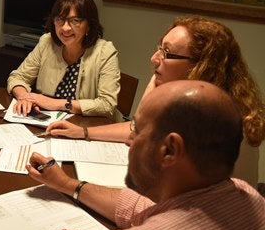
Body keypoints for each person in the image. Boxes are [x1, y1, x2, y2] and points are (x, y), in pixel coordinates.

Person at [28, 80, 265, 230]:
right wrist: (66, 184)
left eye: (138, 130)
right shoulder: (251, 199)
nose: (129, 141)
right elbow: (141, 208)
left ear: (169, 149)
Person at [45, 16, 265, 185]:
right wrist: (83, 132)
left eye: (167, 53)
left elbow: (141, 174)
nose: (154, 58)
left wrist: (150, 99)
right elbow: (135, 129)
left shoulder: (211, 122)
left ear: (200, 67)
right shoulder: (192, 103)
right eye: (160, 48)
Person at [7, 0, 120, 120]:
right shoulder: (47, 42)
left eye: (75, 21)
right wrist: (25, 97)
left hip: (88, 126)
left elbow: (107, 105)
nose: (65, 28)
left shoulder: (105, 52)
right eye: (60, 19)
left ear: (89, 25)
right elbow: (18, 77)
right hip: (45, 121)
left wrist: (57, 104)